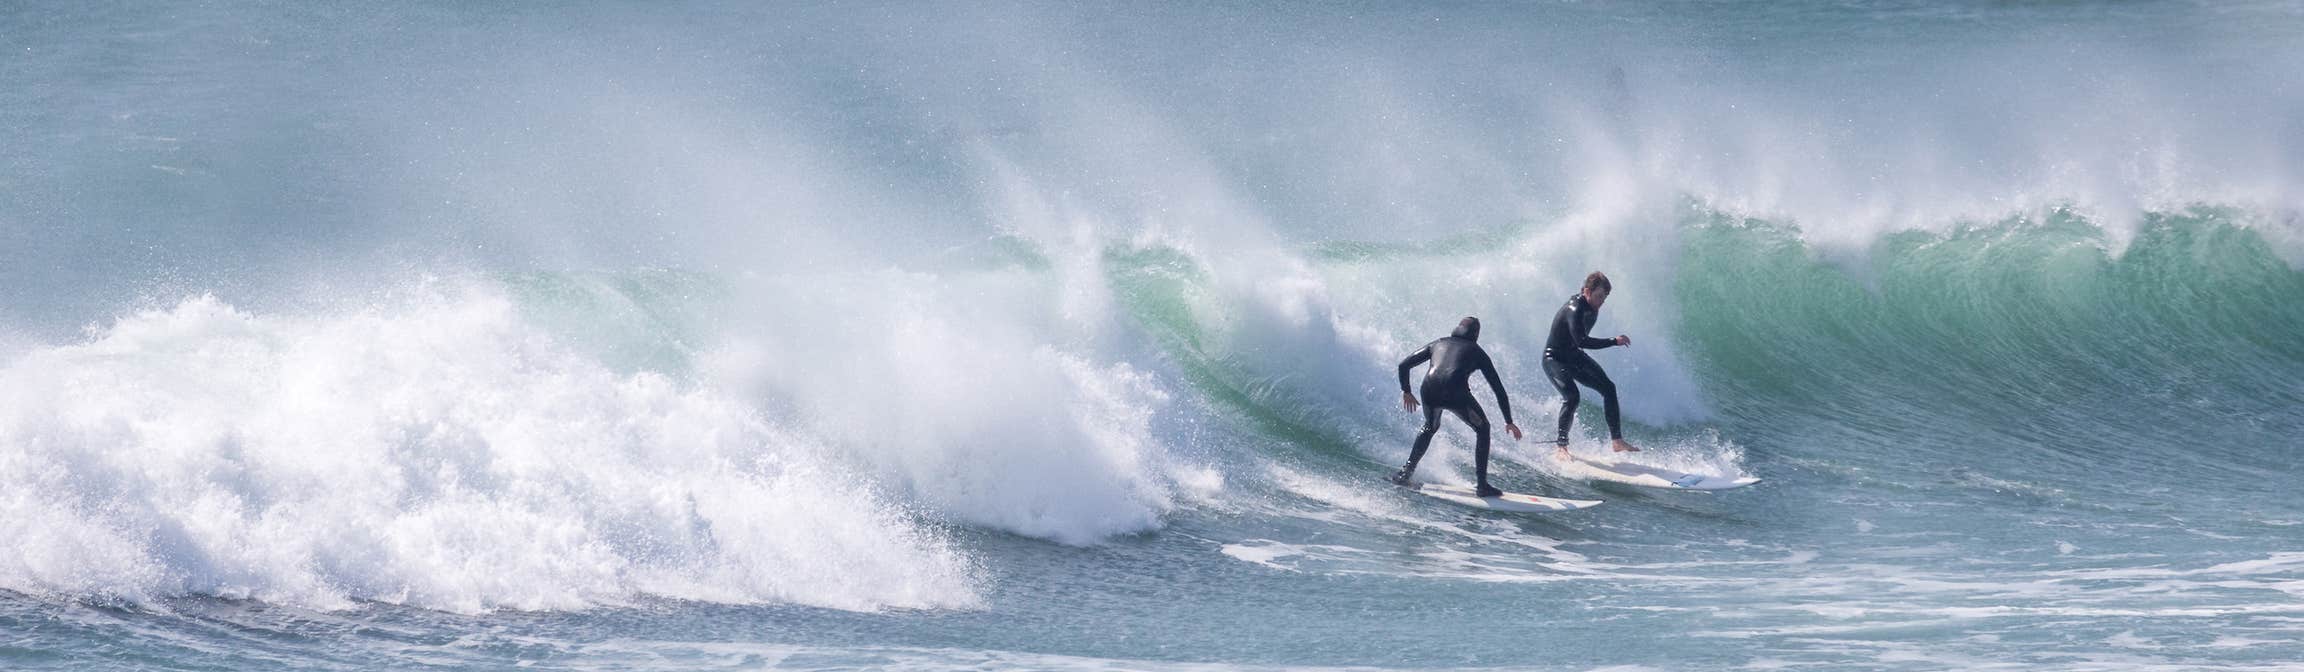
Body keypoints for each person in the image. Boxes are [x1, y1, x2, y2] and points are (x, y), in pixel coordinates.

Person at [1392, 316, 1523, 498]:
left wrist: (1406, 391)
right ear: (1476, 334)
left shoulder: (1438, 343)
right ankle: (1482, 485)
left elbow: (1403, 365)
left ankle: (1405, 473)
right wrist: (1509, 421)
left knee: (1429, 427)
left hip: (1429, 389)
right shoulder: (1477, 352)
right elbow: (1498, 390)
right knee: (1483, 429)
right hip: (1455, 393)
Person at [1544, 271, 1637, 460]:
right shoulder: (1575, 308)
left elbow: (1577, 344)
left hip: (1574, 356)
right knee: (1572, 397)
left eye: (1605, 298)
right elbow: (1582, 341)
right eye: (1599, 296)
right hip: (1554, 359)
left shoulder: (1592, 307)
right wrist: (1614, 341)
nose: (1602, 301)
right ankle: (1561, 447)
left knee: (1609, 388)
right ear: (1587, 291)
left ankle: (1617, 441)